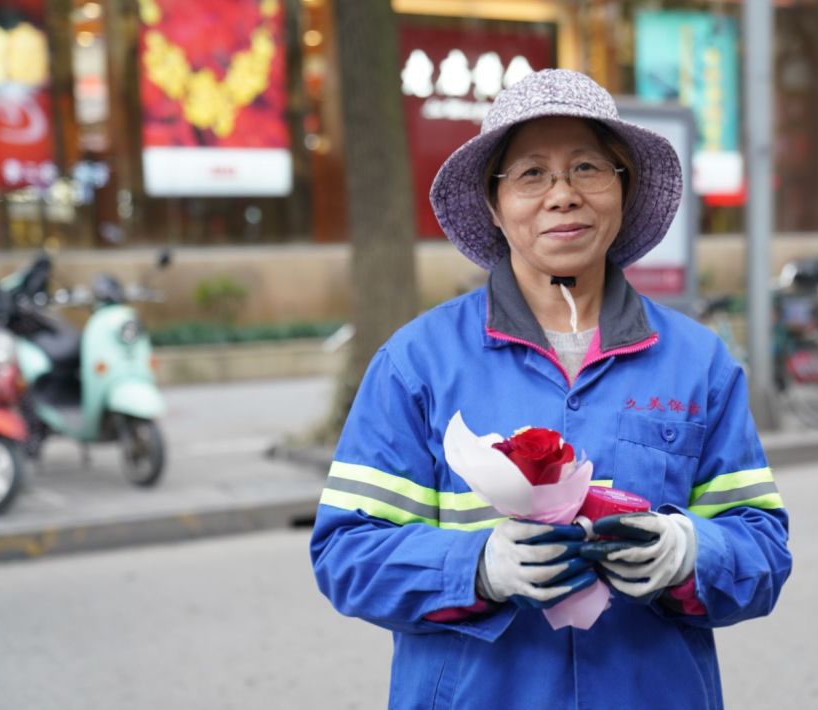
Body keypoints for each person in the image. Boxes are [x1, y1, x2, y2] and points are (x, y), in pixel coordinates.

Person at [311, 69, 792, 709]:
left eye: (588, 168)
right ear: (493, 203)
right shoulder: (416, 363)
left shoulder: (698, 362)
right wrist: (477, 567)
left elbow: (761, 545)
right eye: (531, 174)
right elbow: (347, 552)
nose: (562, 195)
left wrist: (689, 553)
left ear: (623, 190)